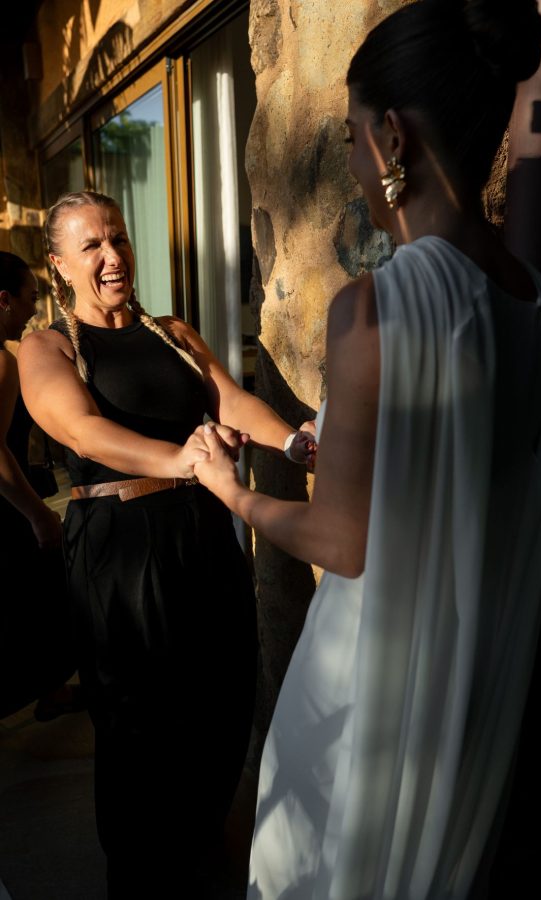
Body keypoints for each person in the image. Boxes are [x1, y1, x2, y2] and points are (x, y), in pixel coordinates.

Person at [192, 1, 541, 897]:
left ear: (393, 139)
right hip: (474, 696)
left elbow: (341, 543)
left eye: (355, 137)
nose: (357, 162)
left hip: (373, 688)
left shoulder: (371, 311)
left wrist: (229, 489)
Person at [17, 190, 315, 897]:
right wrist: (181, 458)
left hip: (203, 535)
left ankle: (199, 853)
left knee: (222, 697)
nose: (112, 256)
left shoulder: (172, 333)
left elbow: (229, 401)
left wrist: (297, 440)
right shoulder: (48, 347)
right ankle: (143, 877)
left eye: (116, 238)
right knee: (140, 730)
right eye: (90, 246)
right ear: (59, 265)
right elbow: (83, 431)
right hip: (121, 551)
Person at [0, 251, 79, 721]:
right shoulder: (3, 364)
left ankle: (51, 692)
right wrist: (38, 515)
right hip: (7, 511)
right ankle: (46, 690)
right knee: (37, 599)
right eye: (31, 298)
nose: (34, 310)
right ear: (4, 300)